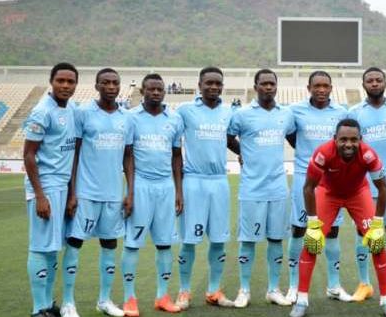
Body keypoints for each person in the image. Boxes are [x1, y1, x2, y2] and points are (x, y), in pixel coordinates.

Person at [289, 118, 386, 317]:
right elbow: (308, 188)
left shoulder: (368, 155)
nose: (348, 144)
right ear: (335, 139)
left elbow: (383, 188)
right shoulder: (323, 153)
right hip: (328, 193)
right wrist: (313, 223)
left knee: (376, 242)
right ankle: (302, 300)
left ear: (360, 139)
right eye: (343, 140)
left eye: (353, 140)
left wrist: (378, 223)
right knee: (312, 242)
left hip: (358, 193)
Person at [61, 68, 130, 317]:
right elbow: (74, 153)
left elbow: (128, 157)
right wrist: (72, 192)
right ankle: (68, 302)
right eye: (106, 83)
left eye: (115, 83)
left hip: (113, 195)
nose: (111, 87)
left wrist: (129, 192)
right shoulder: (83, 113)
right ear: (97, 85)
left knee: (110, 244)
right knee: (75, 243)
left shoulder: (126, 117)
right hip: (86, 193)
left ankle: (105, 300)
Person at [227, 69, 295, 308]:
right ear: (256, 86)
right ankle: (244, 290)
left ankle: (273, 289)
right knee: (248, 240)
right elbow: (228, 137)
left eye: (272, 84)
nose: (268, 87)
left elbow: (295, 139)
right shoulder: (243, 114)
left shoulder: (286, 115)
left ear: (277, 86)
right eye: (264, 83)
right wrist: (242, 153)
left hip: (278, 187)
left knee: (276, 240)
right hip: (251, 188)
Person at [174, 67, 239, 309]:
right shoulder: (185, 111)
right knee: (189, 241)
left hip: (219, 181)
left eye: (218, 83)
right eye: (209, 83)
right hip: (193, 181)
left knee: (219, 240)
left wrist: (244, 154)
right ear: (199, 84)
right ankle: (184, 291)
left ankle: (214, 290)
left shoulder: (228, 112)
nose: (214, 87)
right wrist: (178, 188)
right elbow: (173, 145)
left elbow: (231, 140)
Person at [284, 71, 350, 303]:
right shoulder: (295, 111)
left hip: (333, 180)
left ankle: (334, 285)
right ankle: (293, 285)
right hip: (306, 179)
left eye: (325, 86)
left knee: (332, 231)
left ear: (331, 88)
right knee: (300, 229)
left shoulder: (342, 112)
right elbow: (291, 137)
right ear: (308, 87)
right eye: (317, 86)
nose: (321, 90)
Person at [121, 73, 184, 316]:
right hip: (141, 186)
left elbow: (177, 156)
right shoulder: (130, 118)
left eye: (160, 89)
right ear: (143, 91)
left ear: (164, 91)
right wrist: (130, 190)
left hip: (166, 187)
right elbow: (127, 155)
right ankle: (129, 299)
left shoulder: (174, 119)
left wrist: (178, 191)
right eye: (151, 89)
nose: (156, 92)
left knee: (165, 243)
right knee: (133, 243)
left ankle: (163, 296)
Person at [347, 67, 386, 302]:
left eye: (378, 80)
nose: (374, 83)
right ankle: (364, 284)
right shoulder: (354, 113)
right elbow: (349, 151)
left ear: (385, 82)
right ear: (363, 84)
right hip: (362, 188)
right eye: (370, 80)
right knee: (362, 234)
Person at [24, 62, 78, 317]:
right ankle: (38, 309)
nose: (66, 86)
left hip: (62, 187)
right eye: (61, 81)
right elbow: (28, 155)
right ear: (51, 81)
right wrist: (39, 195)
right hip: (45, 187)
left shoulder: (70, 109)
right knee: (40, 246)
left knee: (54, 246)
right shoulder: (41, 111)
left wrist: (70, 192)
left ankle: (48, 305)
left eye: (70, 81)